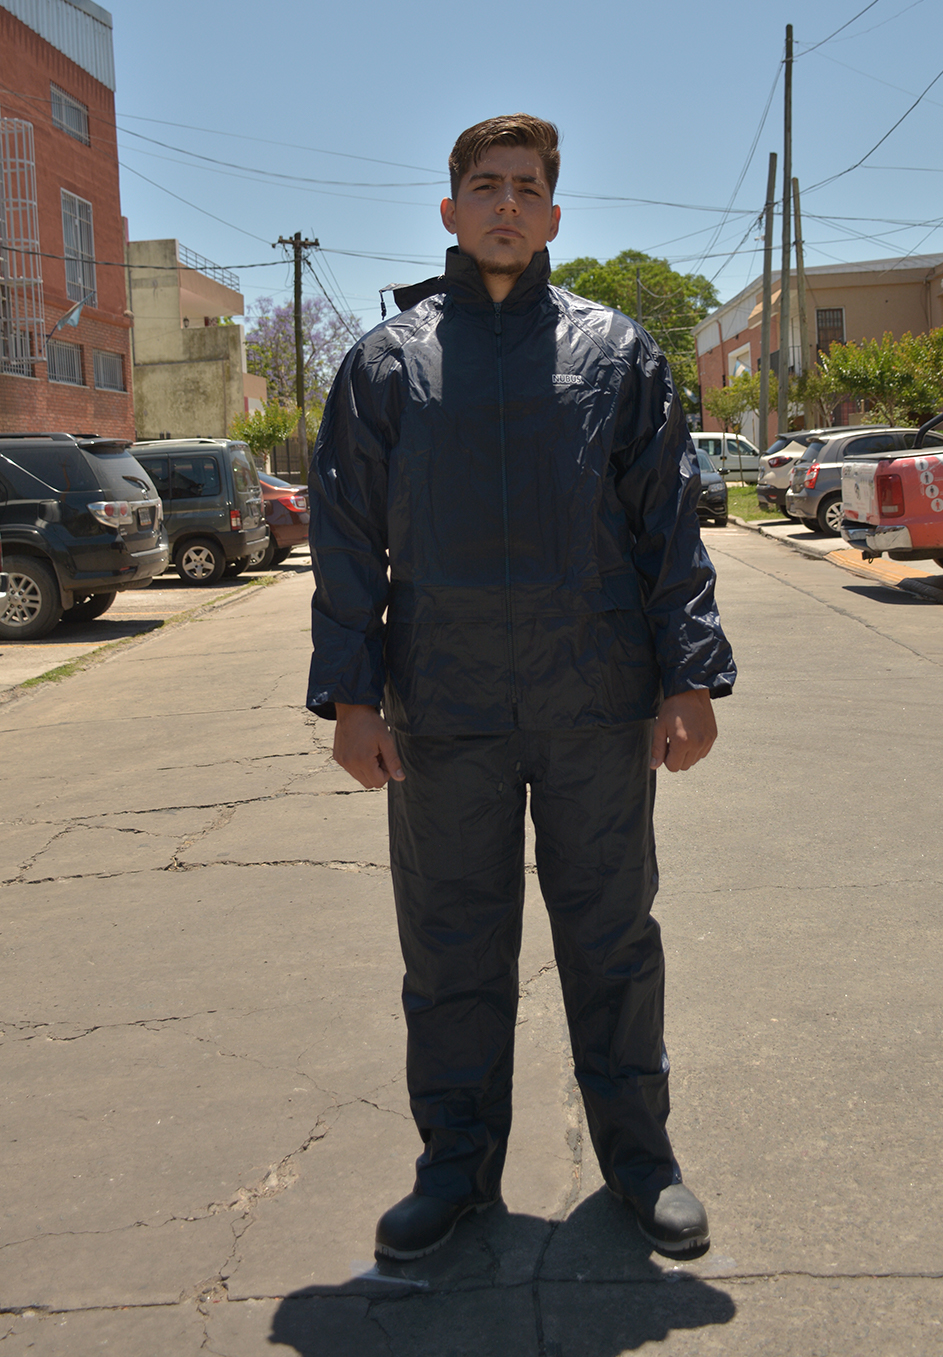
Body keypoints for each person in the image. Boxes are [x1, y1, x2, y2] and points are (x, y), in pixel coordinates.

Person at [307, 114, 736, 1262]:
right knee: (451, 946)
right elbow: (344, 536)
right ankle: (454, 1167)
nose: (506, 204)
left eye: (526, 187)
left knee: (612, 936)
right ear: (450, 210)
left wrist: (690, 675)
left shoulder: (616, 353)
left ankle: (640, 1161)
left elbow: (668, 527)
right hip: (442, 704)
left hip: (594, 694)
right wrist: (352, 697)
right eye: (486, 186)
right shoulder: (388, 362)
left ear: (553, 212)